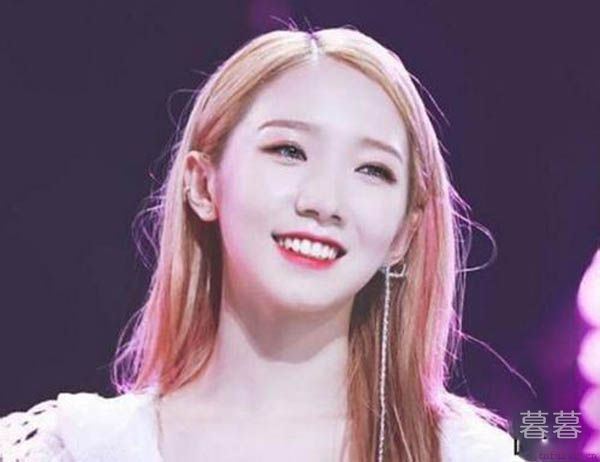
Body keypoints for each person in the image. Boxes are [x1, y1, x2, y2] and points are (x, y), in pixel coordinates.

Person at [0, 27, 525, 461]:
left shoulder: (465, 454)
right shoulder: (73, 448)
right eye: (288, 150)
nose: (323, 202)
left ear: (403, 234)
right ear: (203, 184)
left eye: (372, 169)